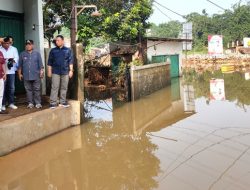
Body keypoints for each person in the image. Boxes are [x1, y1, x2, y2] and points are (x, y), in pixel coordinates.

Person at [47, 35, 73, 108]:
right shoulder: (53, 51)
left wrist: (71, 70)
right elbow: (49, 62)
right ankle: (53, 102)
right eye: (56, 40)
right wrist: (49, 71)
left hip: (65, 72)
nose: (57, 42)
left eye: (58, 40)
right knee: (55, 87)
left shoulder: (68, 50)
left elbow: (70, 61)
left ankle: (62, 101)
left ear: (62, 41)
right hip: (55, 71)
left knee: (64, 87)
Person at [18, 40, 44, 109]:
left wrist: (41, 72)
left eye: (29, 44)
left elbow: (41, 65)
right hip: (26, 76)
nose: (28, 46)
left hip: (36, 75)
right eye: (26, 44)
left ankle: (38, 103)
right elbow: (20, 65)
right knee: (28, 90)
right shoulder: (22, 54)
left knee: (37, 89)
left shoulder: (37, 54)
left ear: (32, 45)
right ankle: (30, 103)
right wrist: (19, 74)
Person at [0, 37, 19, 110]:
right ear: (2, 43)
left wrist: (12, 61)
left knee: (11, 88)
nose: (7, 44)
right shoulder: (0, 49)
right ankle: (3, 104)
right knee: (3, 88)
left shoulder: (14, 49)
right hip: (2, 72)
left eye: (8, 43)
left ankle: (11, 103)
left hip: (11, 71)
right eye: (6, 43)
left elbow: (16, 58)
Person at [0, 44, 7, 114]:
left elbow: (3, 64)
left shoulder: (0, 53)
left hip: (0, 76)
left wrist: (5, 73)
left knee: (1, 94)